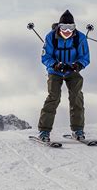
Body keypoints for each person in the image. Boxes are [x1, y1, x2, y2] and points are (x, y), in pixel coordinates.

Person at [38, 10, 90, 142]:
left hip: (72, 70)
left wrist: (77, 65)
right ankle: (44, 131)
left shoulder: (80, 37)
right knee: (53, 97)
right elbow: (45, 56)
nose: (67, 31)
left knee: (76, 96)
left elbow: (85, 57)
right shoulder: (50, 37)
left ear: (74, 27)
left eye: (70, 27)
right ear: (59, 26)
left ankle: (78, 129)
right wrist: (55, 64)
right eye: (64, 27)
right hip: (55, 71)